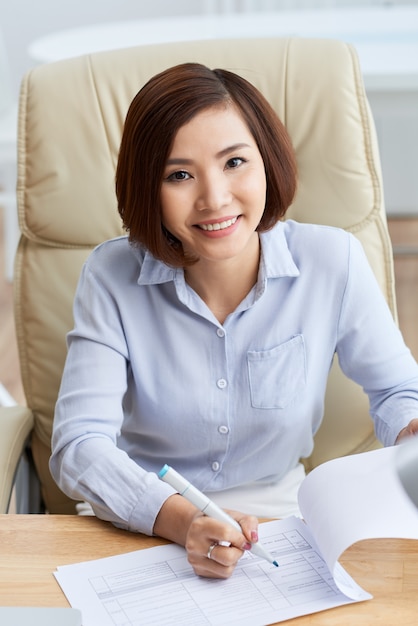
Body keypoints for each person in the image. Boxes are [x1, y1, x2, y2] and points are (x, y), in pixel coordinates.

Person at [50, 62, 418, 580]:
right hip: (140, 514)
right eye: (179, 174)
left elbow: (398, 389)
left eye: (234, 162)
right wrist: (183, 521)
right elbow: (79, 446)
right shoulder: (111, 275)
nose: (214, 198)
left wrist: (411, 428)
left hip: (281, 522)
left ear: (267, 162)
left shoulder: (333, 260)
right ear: (148, 189)